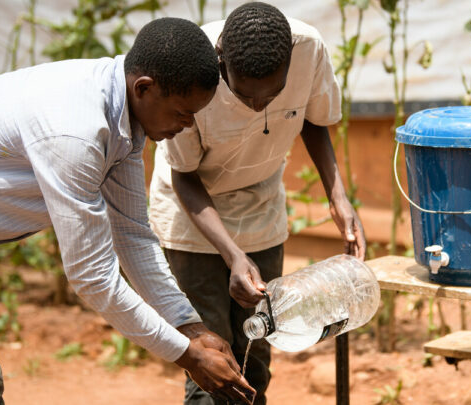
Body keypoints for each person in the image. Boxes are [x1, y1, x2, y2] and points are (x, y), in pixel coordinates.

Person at [0, 18, 255, 404]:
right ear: (144, 87)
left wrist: (189, 326)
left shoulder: (123, 117)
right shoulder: (76, 131)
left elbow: (132, 235)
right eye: (182, 112)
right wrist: (185, 354)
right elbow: (92, 277)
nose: (187, 124)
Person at [149, 3, 366, 404]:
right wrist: (233, 255)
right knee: (211, 356)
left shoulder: (308, 50)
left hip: (260, 207)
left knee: (259, 345)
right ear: (220, 62)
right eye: (246, 94)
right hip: (193, 216)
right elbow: (184, 176)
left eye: (275, 92)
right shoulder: (192, 71)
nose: (259, 106)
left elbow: (315, 120)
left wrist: (338, 197)